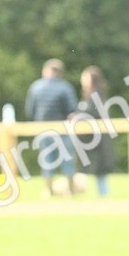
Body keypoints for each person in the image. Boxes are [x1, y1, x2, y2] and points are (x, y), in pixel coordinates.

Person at [24, 59, 79, 195]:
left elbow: (30, 111)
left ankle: (49, 191)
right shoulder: (65, 87)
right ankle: (70, 191)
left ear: (45, 70)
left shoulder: (35, 87)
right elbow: (72, 110)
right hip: (62, 131)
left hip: (43, 130)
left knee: (47, 160)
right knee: (67, 160)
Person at [75, 66, 116, 196]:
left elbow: (94, 112)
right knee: (98, 169)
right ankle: (102, 193)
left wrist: (78, 114)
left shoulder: (96, 95)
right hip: (94, 138)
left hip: (98, 139)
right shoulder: (93, 95)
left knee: (100, 168)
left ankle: (103, 194)